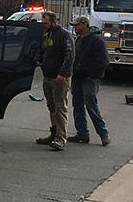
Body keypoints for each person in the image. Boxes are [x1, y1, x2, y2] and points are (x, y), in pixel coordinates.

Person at [68, 16, 110, 146]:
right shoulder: (79, 40)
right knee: (78, 105)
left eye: (76, 25)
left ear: (84, 25)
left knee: (91, 106)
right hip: (77, 77)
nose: (74, 27)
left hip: (89, 79)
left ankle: (103, 134)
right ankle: (82, 134)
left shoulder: (97, 41)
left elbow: (104, 61)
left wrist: (93, 76)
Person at [35, 11, 73, 151]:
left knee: (60, 107)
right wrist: (39, 59)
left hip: (59, 78)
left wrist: (62, 75)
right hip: (48, 76)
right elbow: (43, 50)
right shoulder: (46, 34)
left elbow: (69, 56)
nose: (43, 26)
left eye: (46, 23)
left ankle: (61, 138)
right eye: (42, 23)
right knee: (51, 106)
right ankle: (53, 133)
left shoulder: (64, 35)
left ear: (53, 22)